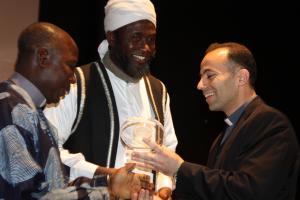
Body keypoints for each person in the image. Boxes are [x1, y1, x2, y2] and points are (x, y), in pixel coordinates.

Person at [0, 22, 153, 200]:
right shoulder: (8, 110)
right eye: (70, 66)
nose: (73, 78)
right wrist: (107, 193)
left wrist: (110, 183)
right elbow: (30, 196)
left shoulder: (30, 112)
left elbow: (54, 187)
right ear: (43, 58)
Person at [44, 0, 178, 199]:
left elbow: (168, 151)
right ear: (112, 37)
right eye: (136, 37)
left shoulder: (159, 90)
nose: (146, 47)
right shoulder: (77, 82)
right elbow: (48, 151)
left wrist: (164, 189)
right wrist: (107, 178)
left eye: (151, 39)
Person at [132, 42, 300, 200]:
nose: (200, 85)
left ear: (241, 77)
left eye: (209, 75)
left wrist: (180, 169)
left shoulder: (270, 123)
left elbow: (252, 191)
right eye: (201, 77)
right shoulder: (222, 138)